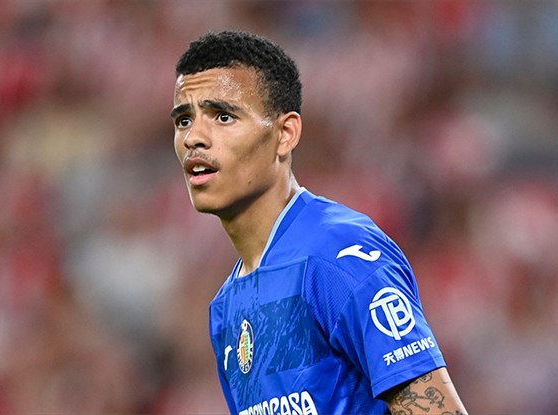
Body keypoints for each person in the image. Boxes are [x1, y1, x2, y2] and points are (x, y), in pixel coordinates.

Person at [172, 30, 468, 415]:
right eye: (184, 120)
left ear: (285, 134)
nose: (194, 137)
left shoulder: (336, 255)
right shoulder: (226, 307)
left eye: (223, 116)